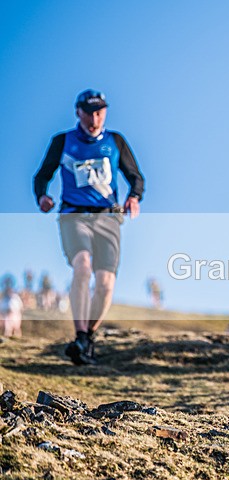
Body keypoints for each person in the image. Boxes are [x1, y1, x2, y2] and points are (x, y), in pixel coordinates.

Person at [33, 89, 145, 365]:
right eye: (89, 112)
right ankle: (80, 332)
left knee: (106, 284)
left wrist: (134, 197)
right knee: (82, 268)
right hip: (74, 215)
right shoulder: (63, 141)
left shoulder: (115, 141)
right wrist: (43, 197)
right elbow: (41, 176)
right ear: (78, 113)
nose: (94, 118)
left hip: (108, 218)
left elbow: (136, 177)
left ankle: (87, 338)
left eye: (100, 112)